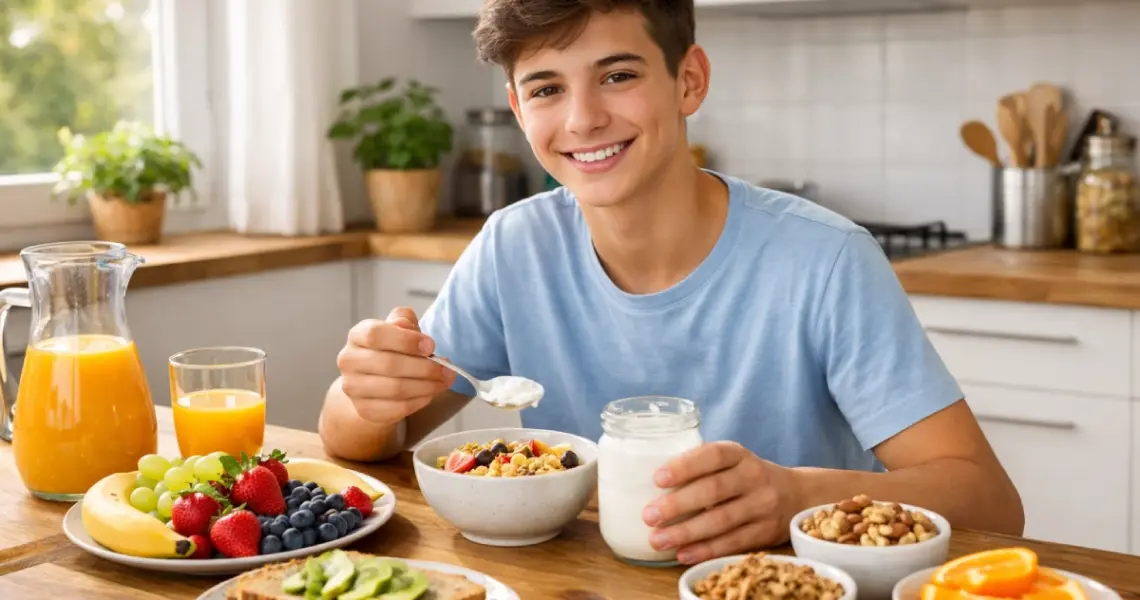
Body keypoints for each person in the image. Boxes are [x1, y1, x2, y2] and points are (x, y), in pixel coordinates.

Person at [319, 0, 1024, 565]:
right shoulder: (515, 245)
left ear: (689, 80)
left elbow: (991, 503)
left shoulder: (826, 260)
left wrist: (794, 496)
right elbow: (361, 438)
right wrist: (369, 388)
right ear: (517, 107)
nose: (583, 118)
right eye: (547, 88)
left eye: (617, 75)